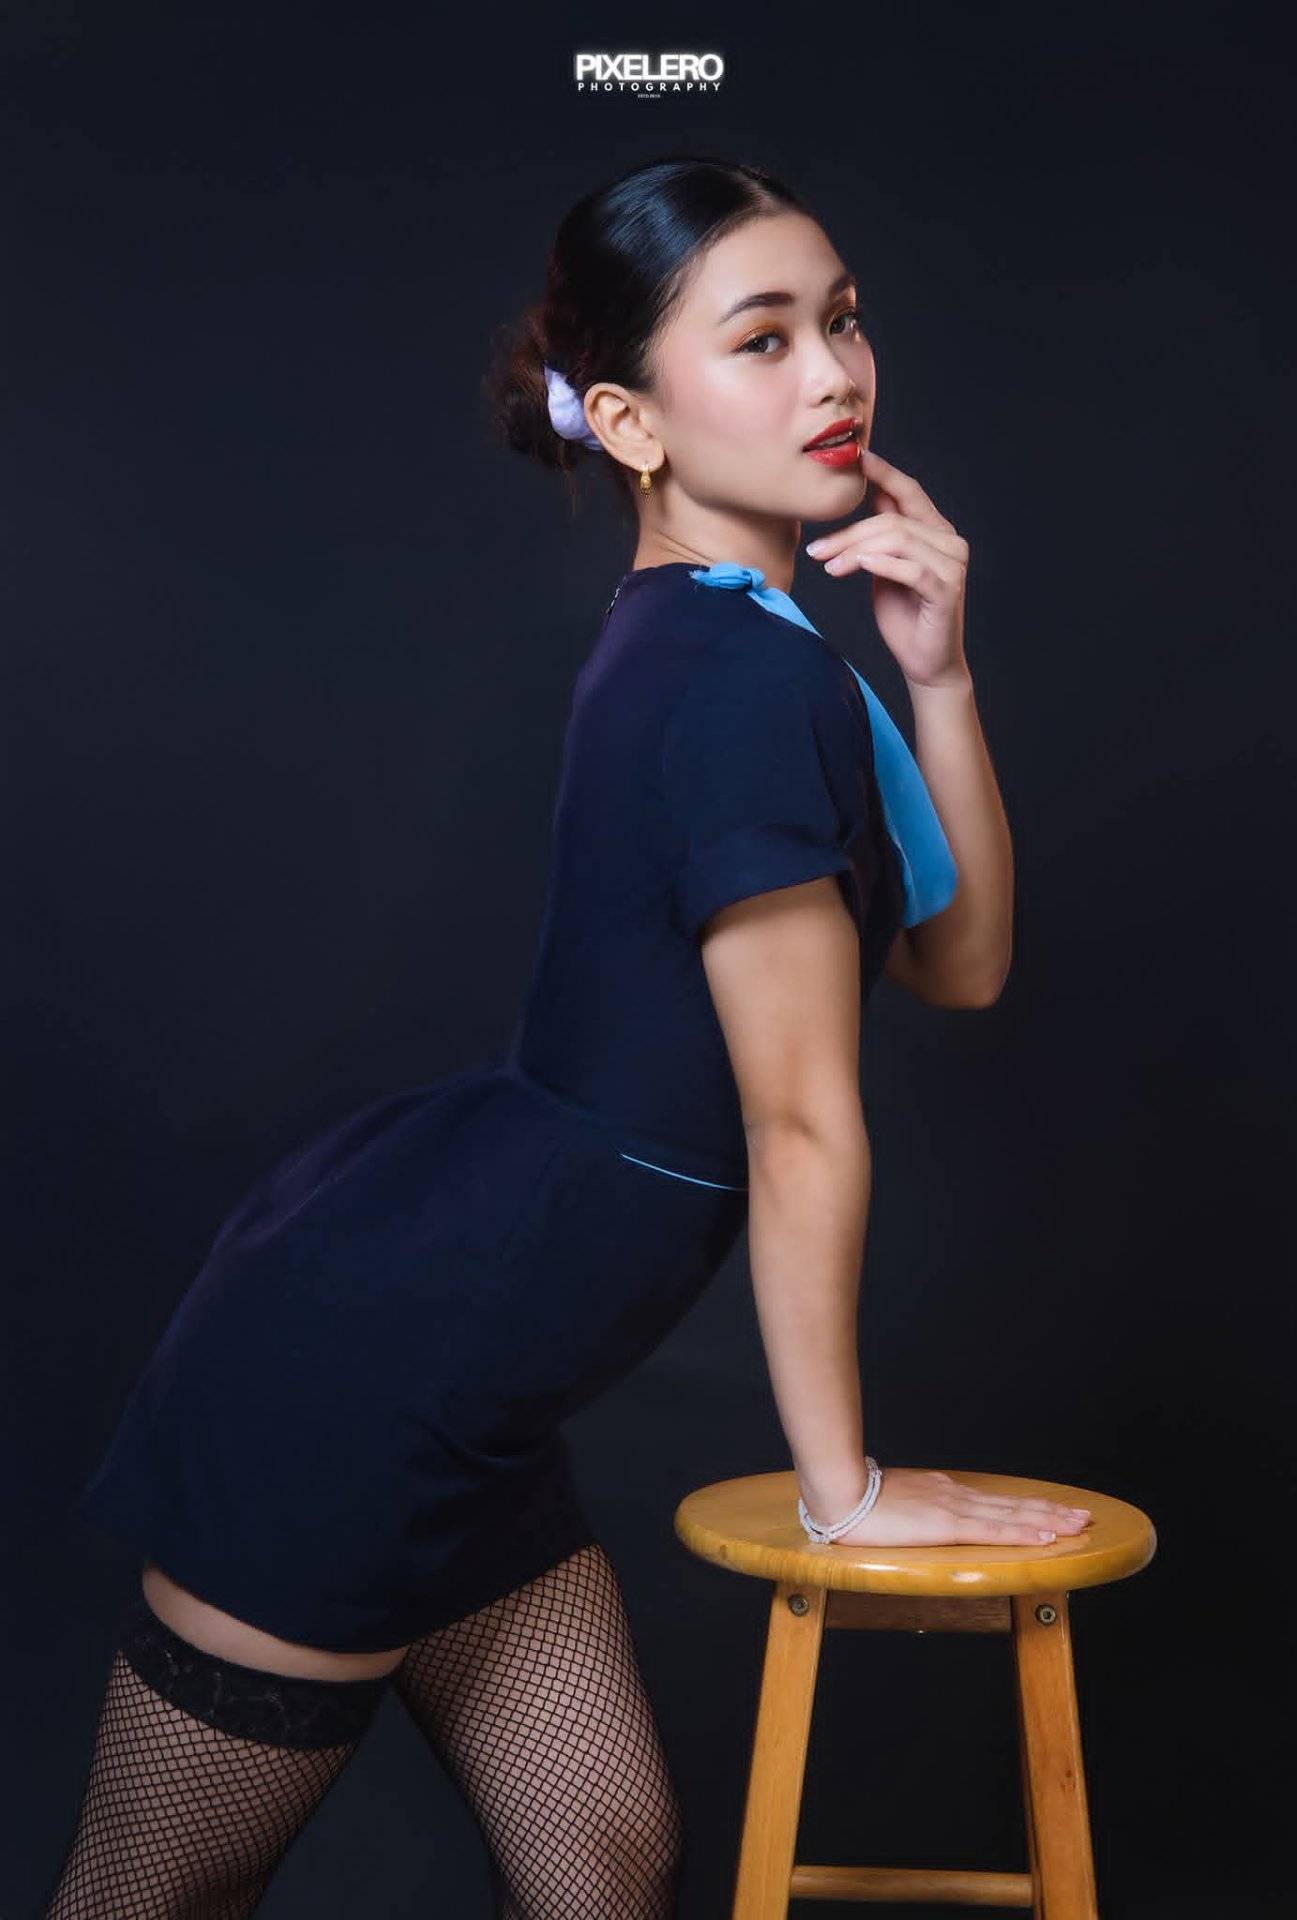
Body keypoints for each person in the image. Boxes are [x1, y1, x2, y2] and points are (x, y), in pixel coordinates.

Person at [42, 152, 1090, 1919]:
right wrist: (841, 1493)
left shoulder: (762, 650)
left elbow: (961, 962)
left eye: (840, 321)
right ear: (628, 423)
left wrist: (938, 673)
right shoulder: (738, 681)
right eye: (760, 338)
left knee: (603, 1860)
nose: (833, 372)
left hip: (472, 1382)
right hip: (363, 1386)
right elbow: (798, 1122)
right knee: (147, 1897)